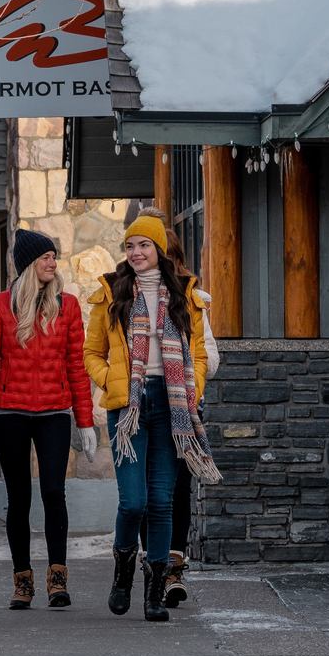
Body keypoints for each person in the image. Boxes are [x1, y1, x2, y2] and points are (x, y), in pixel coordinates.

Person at [83, 213, 220, 621]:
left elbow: (198, 351)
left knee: (161, 502)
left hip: (172, 404)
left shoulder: (186, 295)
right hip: (129, 406)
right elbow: (91, 352)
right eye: (130, 246)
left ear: (159, 249)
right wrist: (110, 380)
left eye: (144, 245)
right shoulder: (110, 294)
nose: (137, 253)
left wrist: (192, 389)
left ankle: (155, 592)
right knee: (134, 502)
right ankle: (123, 571)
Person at [0, 229, 98, 608]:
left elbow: (76, 367)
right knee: (19, 497)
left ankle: (57, 577)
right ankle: (22, 581)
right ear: (29, 263)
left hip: (53, 415)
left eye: (54, 256)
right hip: (10, 414)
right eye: (46, 256)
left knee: (52, 493)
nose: (52, 263)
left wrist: (85, 420)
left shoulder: (69, 306)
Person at [160, 232, 219, 609]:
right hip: (146, 404)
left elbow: (210, 355)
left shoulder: (193, 300)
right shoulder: (128, 298)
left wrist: (187, 376)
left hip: (184, 406)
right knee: (152, 494)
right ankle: (155, 566)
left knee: (180, 488)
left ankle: (174, 569)